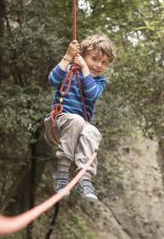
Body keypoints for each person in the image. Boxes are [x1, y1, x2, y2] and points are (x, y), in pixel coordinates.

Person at [44, 34, 115, 202]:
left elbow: (91, 95)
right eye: (95, 59)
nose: (99, 65)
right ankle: (62, 173)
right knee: (76, 120)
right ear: (82, 56)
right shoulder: (69, 71)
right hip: (57, 124)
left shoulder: (99, 82)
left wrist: (84, 68)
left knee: (92, 132)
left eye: (104, 62)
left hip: (78, 127)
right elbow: (53, 80)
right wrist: (68, 56)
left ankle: (84, 179)